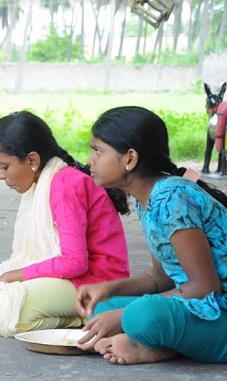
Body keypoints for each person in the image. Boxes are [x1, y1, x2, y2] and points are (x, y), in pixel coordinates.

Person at [0, 110, 131, 337]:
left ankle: (88, 315)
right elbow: (39, 258)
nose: (1, 175)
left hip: (97, 281)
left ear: (32, 160)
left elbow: (74, 263)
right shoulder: (41, 182)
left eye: (4, 166)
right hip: (71, 278)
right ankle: (78, 313)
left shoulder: (65, 185)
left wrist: (8, 278)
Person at [75, 105, 227, 365]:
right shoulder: (146, 199)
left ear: (130, 158)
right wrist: (109, 288)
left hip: (219, 310)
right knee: (102, 309)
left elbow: (204, 287)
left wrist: (124, 316)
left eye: (98, 150)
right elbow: (162, 275)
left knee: (138, 316)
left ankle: (156, 347)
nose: (90, 159)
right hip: (200, 304)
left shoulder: (171, 198)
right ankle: (155, 340)